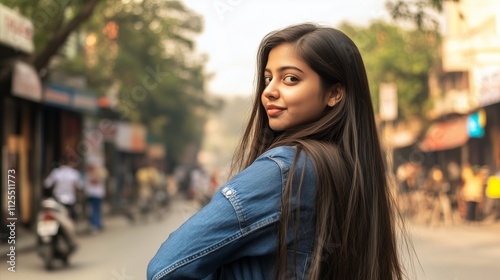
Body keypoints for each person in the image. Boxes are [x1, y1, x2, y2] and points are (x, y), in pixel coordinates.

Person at [147, 23, 407, 280]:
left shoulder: (281, 170)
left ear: (334, 93)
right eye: (268, 79)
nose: (269, 91)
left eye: (290, 79)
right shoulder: (350, 170)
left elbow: (165, 269)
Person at [84, 160, 108, 232]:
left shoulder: (97, 173)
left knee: (95, 210)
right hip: (93, 194)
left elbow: (103, 177)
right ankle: (96, 224)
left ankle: (96, 224)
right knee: (94, 210)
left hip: (96, 194)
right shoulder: (89, 174)